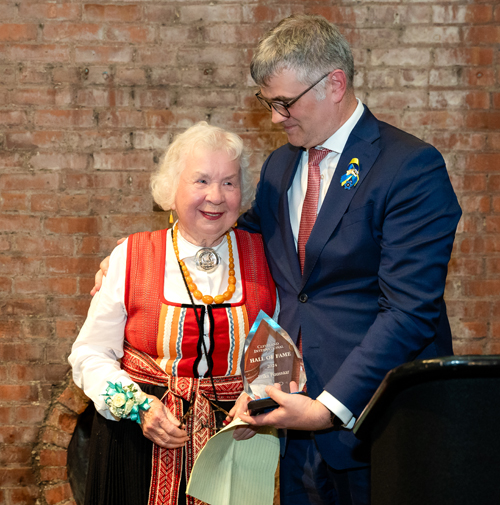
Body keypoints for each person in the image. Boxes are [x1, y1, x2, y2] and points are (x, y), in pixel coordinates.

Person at [93, 14, 462, 505]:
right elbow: (243, 234)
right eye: (268, 103)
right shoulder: (283, 162)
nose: (275, 118)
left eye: (285, 103)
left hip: (372, 420)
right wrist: (149, 256)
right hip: (290, 424)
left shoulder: (409, 167)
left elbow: (410, 312)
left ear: (334, 84)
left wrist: (329, 407)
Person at [69, 121, 277, 505]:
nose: (215, 196)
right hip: (135, 443)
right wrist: (137, 406)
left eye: (229, 182)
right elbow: (88, 355)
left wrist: (260, 398)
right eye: (200, 181)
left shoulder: (267, 256)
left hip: (232, 446)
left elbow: (280, 352)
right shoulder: (131, 256)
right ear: (171, 188)